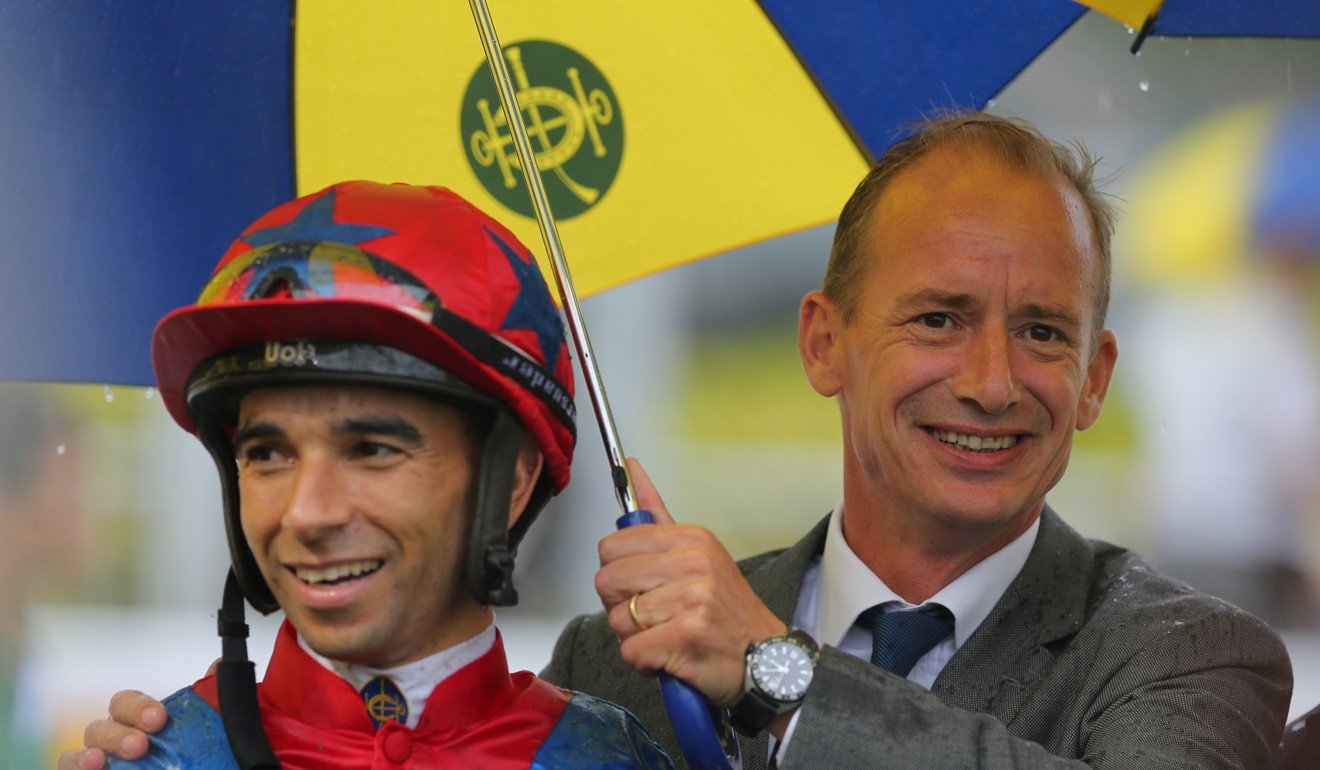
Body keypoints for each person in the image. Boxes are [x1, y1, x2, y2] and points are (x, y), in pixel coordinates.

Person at [67, 113, 1293, 769]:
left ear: (1096, 378)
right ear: (822, 341)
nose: (991, 379)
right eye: (937, 318)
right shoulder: (612, 672)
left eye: (1042, 331)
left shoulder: (1196, 658)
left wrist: (781, 672)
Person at [62, 181, 671, 769]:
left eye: (371, 450)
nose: (306, 513)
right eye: (269, 454)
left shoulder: (620, 758)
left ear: (510, 480)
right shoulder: (153, 760)